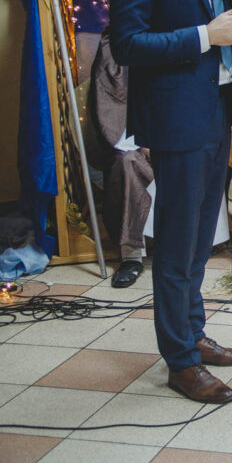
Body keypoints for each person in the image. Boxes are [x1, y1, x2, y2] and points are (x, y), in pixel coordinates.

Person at [110, 0, 232, 403]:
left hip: (216, 112)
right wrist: (203, 36)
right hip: (176, 118)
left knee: (200, 238)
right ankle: (180, 360)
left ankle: (192, 333)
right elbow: (127, 44)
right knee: (175, 242)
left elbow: (230, 28)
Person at [88, 27, 152, 288]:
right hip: (134, 141)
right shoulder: (116, 42)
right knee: (125, 164)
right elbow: (112, 101)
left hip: (177, 133)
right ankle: (131, 255)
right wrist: (147, 139)